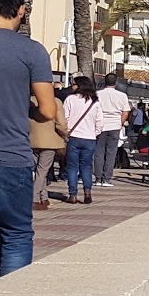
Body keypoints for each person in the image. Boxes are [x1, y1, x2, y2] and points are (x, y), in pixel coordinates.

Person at [0, 0, 58, 287]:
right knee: (16, 236)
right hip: (7, 156)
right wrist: (24, 110)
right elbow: (48, 110)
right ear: (21, 10)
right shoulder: (31, 51)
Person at [62, 75, 104, 205]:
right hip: (89, 138)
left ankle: (73, 194)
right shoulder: (94, 102)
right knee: (86, 166)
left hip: (74, 137)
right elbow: (100, 122)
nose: (72, 86)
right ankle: (87, 192)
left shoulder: (70, 99)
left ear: (79, 85)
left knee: (72, 167)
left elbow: (65, 118)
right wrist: (94, 133)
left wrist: (66, 133)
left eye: (74, 84)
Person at [30, 86, 68, 211]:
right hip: (50, 141)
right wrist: (65, 135)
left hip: (32, 140)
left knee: (39, 171)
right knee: (42, 171)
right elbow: (61, 124)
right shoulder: (55, 102)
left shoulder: (29, 101)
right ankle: (34, 198)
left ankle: (44, 197)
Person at [93, 72, 131, 187]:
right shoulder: (122, 96)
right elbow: (125, 112)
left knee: (99, 152)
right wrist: (120, 123)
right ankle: (107, 178)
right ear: (116, 82)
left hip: (100, 125)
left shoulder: (98, 94)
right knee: (111, 153)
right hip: (114, 125)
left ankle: (98, 178)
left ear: (104, 81)